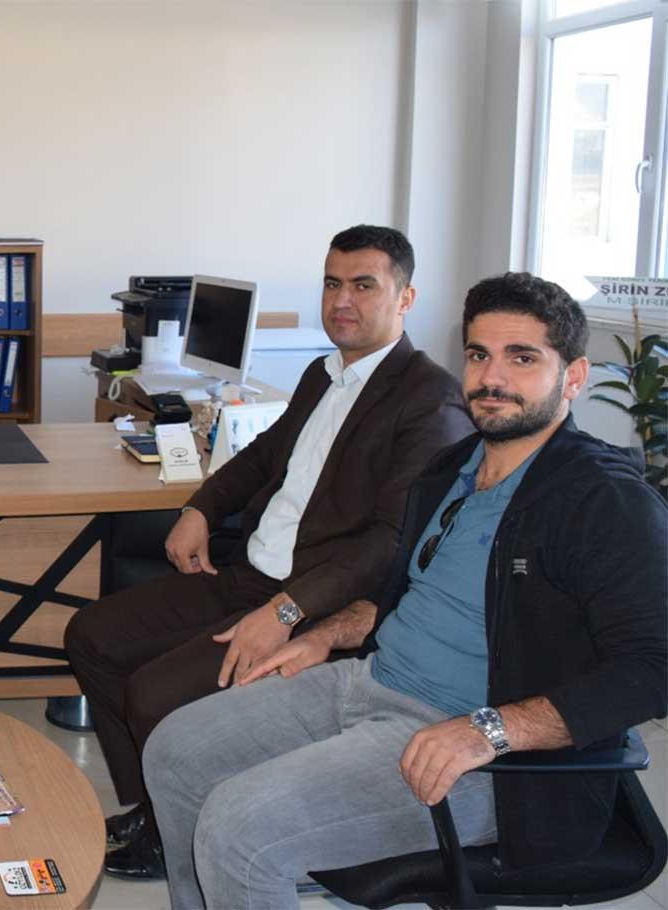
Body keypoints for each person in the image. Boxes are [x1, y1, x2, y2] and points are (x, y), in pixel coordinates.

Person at [143, 271, 668, 909]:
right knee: (174, 751)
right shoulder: (452, 469)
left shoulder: (604, 501)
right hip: (369, 682)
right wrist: (324, 635)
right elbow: (414, 595)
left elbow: (652, 669)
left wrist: (487, 731)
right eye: (479, 355)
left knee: (238, 829)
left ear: (574, 376)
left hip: (480, 755)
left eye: (522, 358)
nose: (492, 378)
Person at [64, 225, 473, 879]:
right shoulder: (322, 373)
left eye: (363, 285)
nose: (342, 300)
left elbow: (392, 541)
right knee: (92, 635)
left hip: (315, 602)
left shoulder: (429, 399)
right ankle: (160, 814)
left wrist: (288, 610)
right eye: (332, 284)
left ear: (406, 298)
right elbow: (262, 456)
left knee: (153, 694)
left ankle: (175, 832)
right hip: (248, 574)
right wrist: (200, 508)